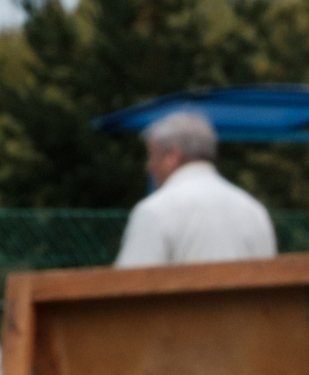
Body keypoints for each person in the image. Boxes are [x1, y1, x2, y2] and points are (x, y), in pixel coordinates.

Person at [114, 109, 276, 268]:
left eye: (152, 156)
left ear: (172, 155)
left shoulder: (154, 211)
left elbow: (128, 286)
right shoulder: (254, 211)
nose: (148, 166)